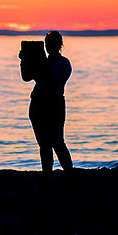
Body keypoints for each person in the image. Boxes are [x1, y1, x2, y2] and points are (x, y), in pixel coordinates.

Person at [21, 30, 74, 178]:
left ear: (59, 45)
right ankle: (47, 175)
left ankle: (70, 174)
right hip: (37, 103)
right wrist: (24, 60)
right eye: (47, 43)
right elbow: (26, 77)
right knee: (44, 144)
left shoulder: (64, 62)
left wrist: (42, 63)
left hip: (54, 103)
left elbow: (55, 79)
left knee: (57, 141)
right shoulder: (41, 61)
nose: (48, 46)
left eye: (52, 43)